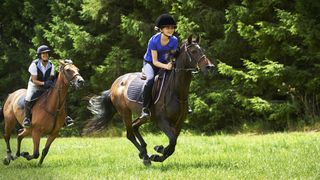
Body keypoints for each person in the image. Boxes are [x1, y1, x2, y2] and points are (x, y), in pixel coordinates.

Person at [23, 45, 74, 128]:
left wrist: (50, 82)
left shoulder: (51, 65)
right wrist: (44, 83)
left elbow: (51, 77)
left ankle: (66, 117)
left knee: (59, 96)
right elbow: (35, 80)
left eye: (46, 53)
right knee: (28, 98)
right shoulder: (34, 65)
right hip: (34, 85)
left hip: (45, 84)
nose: (45, 55)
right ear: (40, 55)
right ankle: (27, 119)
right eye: (43, 54)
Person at [140, 14, 179, 119]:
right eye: (167, 28)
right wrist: (166, 66)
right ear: (161, 29)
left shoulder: (174, 40)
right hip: (150, 63)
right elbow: (155, 61)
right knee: (150, 80)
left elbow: (173, 55)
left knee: (177, 77)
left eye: (172, 28)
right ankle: (145, 109)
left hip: (165, 63)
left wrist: (172, 62)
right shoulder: (153, 41)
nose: (170, 30)